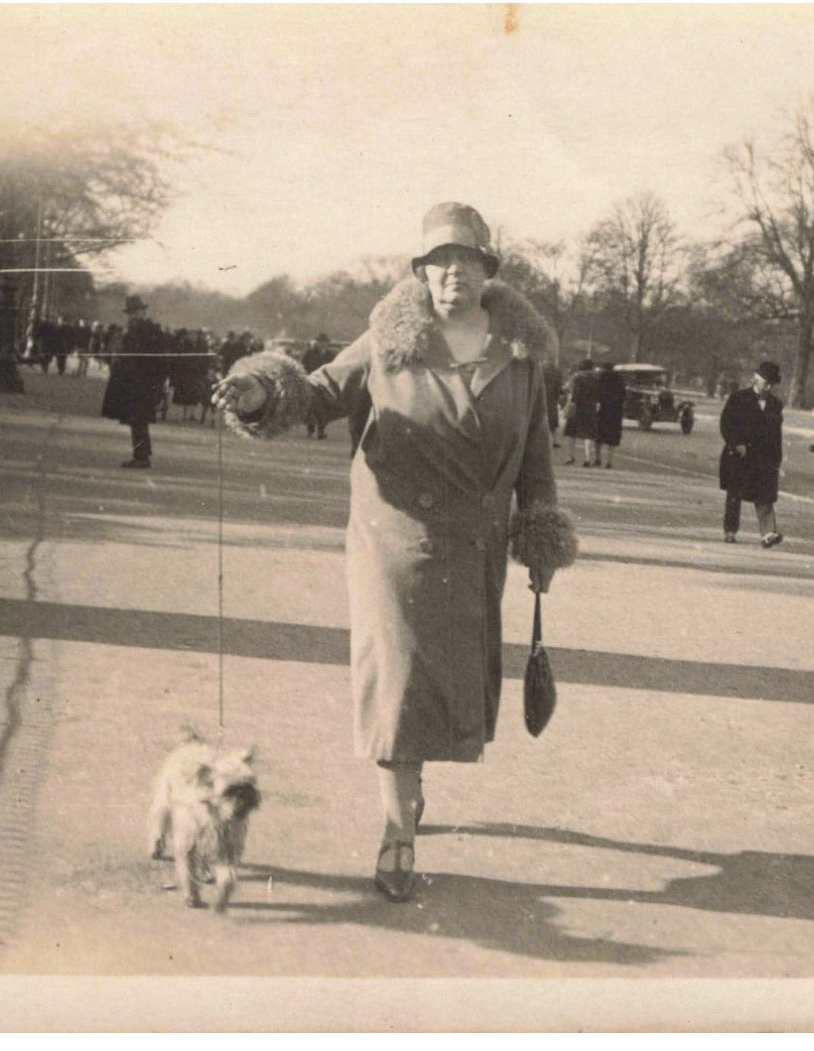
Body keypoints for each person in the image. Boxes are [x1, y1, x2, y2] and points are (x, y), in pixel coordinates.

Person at [212, 202, 577, 903]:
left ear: (486, 270)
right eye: (437, 262)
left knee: (437, 684)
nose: (451, 274)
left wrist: (539, 532)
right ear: (420, 272)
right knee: (398, 684)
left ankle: (407, 792)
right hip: (393, 540)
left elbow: (534, 456)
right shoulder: (387, 341)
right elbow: (312, 395)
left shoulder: (522, 357)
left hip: (473, 546)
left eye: (464, 261)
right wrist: (258, 386)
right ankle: (395, 828)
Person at [718, 360, 786, 547]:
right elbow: (726, 424)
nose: (770, 386)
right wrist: (736, 444)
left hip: (764, 457)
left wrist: (777, 459)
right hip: (739, 455)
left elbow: (776, 434)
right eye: (767, 381)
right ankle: (730, 530)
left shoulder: (775, 405)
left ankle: (768, 534)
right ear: (757, 380)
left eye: (772, 383)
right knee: (734, 495)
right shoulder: (738, 398)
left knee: (766, 495)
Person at [100, 296, 168, 468]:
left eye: (136, 312)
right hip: (134, 383)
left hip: (142, 383)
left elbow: (156, 359)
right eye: (131, 313)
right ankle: (142, 454)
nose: (133, 316)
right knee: (137, 419)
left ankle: (141, 457)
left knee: (138, 419)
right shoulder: (137, 329)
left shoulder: (147, 331)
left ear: (143, 312)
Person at [561, 359, 599, 466]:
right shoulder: (596, 378)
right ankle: (587, 459)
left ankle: (571, 457)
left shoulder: (576, 377)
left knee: (571, 433)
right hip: (590, 408)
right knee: (588, 435)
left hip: (576, 407)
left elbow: (571, 391)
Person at [593, 361, 626, 469]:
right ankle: (609, 461)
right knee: (613, 438)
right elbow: (623, 396)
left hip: (603, 410)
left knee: (598, 436)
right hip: (616, 412)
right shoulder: (620, 379)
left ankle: (597, 458)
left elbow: (596, 393)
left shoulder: (600, 378)